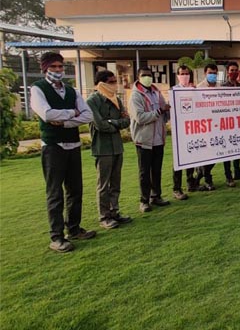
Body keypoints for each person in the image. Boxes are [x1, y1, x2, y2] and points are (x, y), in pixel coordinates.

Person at [31, 52, 96, 252]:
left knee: (75, 190)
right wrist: (73, 112)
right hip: (53, 146)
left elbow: (88, 115)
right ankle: (56, 236)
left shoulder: (71, 90)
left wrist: (65, 121)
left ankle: (74, 228)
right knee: (55, 192)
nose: (58, 70)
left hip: (73, 144)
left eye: (60, 66)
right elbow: (47, 114)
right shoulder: (38, 89)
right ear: (45, 68)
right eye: (54, 67)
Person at [86, 70, 132, 230]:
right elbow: (100, 124)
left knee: (116, 182)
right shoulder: (93, 101)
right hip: (102, 148)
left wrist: (112, 122)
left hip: (117, 146)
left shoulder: (116, 99)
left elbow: (126, 120)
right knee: (103, 184)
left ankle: (114, 211)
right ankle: (104, 216)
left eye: (115, 81)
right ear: (102, 83)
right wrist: (115, 123)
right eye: (111, 82)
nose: (115, 84)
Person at [130, 66, 171, 213]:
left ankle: (156, 196)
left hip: (158, 138)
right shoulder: (136, 96)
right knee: (144, 172)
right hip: (144, 140)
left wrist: (169, 109)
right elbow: (140, 117)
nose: (147, 78)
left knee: (157, 170)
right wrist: (160, 111)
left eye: (149, 75)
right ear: (138, 77)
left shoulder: (156, 92)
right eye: (144, 75)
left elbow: (164, 113)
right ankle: (144, 200)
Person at [171, 65, 197, 198]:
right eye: (182, 74)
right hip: (179, 132)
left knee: (191, 157)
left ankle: (190, 183)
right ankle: (177, 188)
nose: (185, 76)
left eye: (187, 74)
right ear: (178, 75)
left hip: (191, 130)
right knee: (179, 161)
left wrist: (195, 92)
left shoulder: (193, 89)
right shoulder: (174, 90)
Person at [195, 63, 219, 190]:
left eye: (215, 73)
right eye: (210, 73)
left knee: (215, 154)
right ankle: (208, 179)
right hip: (204, 126)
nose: (213, 75)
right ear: (205, 73)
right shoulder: (199, 88)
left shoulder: (220, 87)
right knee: (207, 154)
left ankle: (199, 175)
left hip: (218, 126)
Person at [222, 62, 240, 187]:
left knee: (237, 147)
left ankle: (237, 171)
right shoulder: (223, 87)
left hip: (238, 123)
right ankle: (228, 176)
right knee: (227, 151)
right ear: (227, 72)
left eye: (236, 70)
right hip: (226, 123)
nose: (234, 72)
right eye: (232, 70)